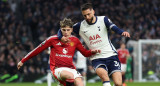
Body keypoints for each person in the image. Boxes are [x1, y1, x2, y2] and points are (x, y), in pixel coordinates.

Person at [57, 3, 130, 86]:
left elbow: (113, 27)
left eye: (89, 14)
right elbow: (61, 29)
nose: (87, 17)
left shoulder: (103, 19)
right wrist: (60, 37)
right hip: (97, 58)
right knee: (105, 77)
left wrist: (122, 32)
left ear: (93, 12)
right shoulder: (80, 26)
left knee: (118, 83)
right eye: (85, 15)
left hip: (111, 55)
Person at [17, 18, 100, 86]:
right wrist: (23, 60)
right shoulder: (52, 40)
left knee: (79, 83)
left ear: (71, 30)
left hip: (71, 69)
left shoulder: (75, 40)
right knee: (70, 76)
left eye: (68, 30)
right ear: (61, 29)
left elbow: (85, 53)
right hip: (57, 69)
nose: (66, 32)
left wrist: (92, 51)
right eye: (64, 30)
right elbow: (37, 50)